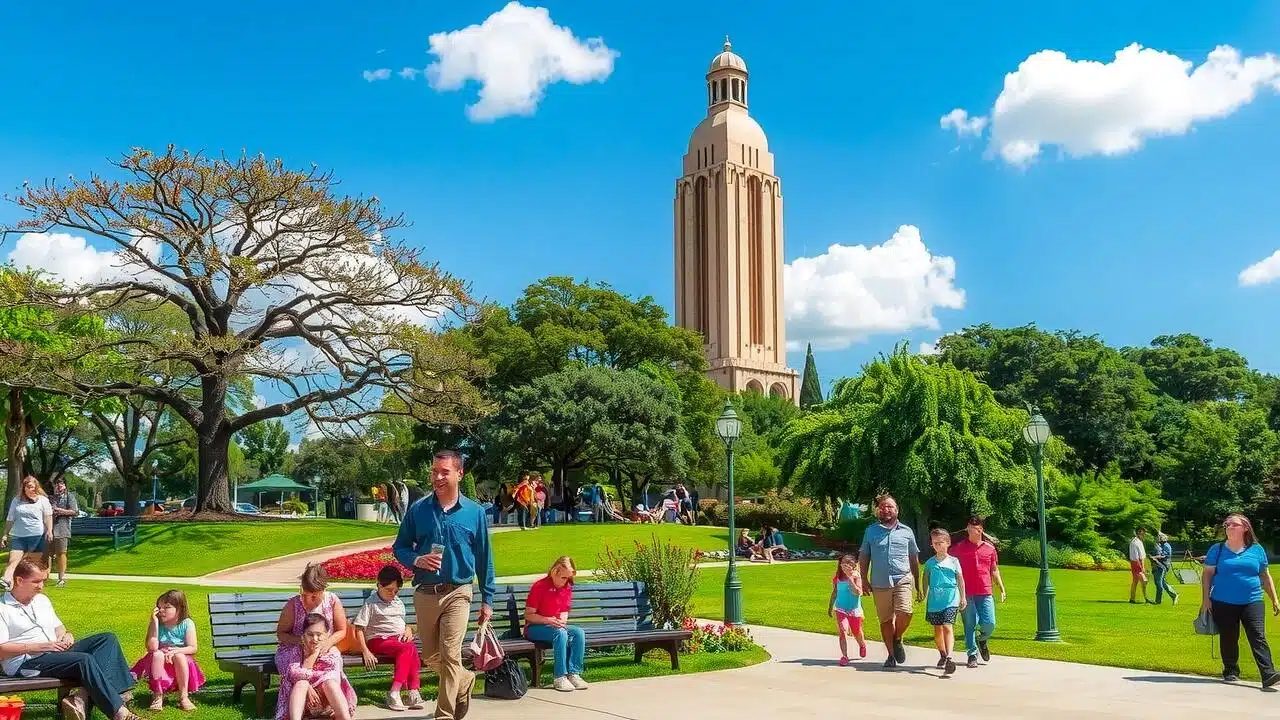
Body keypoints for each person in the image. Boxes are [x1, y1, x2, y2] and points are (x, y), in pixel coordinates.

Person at [392, 449, 496, 720]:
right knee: (431, 656)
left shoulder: (474, 512)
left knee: (451, 654)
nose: (437, 477)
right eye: (434, 472)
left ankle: (444, 714)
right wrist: (417, 560)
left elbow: (485, 558)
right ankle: (463, 681)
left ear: (459, 474)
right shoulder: (419, 510)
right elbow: (400, 547)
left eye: (444, 472)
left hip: (459, 592)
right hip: (426, 593)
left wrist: (487, 599)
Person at [0, 559, 139, 720]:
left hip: (54, 652)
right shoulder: (3, 608)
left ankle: (81, 697)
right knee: (83, 660)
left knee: (107, 639)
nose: (41, 586)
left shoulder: (41, 600)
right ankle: (120, 713)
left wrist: (66, 635)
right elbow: (2, 650)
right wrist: (40, 647)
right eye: (36, 581)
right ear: (19, 580)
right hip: (25, 662)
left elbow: (59, 627)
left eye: (44, 581)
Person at [1201, 513, 1279, 688]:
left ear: (1245, 528)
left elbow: (1265, 576)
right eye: (1227, 525)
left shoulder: (1257, 550)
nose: (1229, 527)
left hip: (1253, 600)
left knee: (1258, 635)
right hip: (1223, 601)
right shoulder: (1217, 549)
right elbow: (1207, 575)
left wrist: (1274, 599)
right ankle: (1230, 671)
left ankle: (1268, 674)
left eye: (1233, 525)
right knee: (1229, 636)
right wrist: (1206, 599)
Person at [273, 563, 355, 720]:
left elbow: (341, 630)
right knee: (295, 671)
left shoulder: (332, 601)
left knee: (333, 663)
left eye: (315, 595)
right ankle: (304, 695)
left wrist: (327, 643)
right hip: (295, 648)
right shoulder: (293, 604)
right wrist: (301, 641)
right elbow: (281, 634)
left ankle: (328, 703)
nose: (310, 599)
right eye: (307, 593)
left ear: (323, 589)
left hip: (324, 645)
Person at [858, 494, 921, 669]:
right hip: (880, 582)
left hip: (903, 579)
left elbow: (913, 558)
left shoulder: (907, 532)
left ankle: (897, 637)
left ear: (897, 510)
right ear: (878, 510)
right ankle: (891, 656)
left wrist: (917, 581)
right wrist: (863, 579)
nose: (886, 509)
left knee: (905, 612)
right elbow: (864, 556)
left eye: (890, 506)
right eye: (883, 506)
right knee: (885, 620)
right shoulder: (871, 531)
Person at [353, 565, 423, 711]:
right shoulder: (371, 603)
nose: (393, 594)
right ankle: (395, 692)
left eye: (396, 591)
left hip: (397, 640)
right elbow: (358, 628)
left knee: (412, 649)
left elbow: (402, 624)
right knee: (408, 648)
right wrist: (365, 651)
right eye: (389, 590)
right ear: (379, 585)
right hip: (378, 640)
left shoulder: (397, 602)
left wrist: (408, 630)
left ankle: (412, 692)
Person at [524, 556, 590, 692]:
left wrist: (562, 621)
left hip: (555, 626)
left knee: (578, 632)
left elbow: (565, 610)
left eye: (569, 578)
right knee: (560, 633)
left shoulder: (567, 587)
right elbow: (529, 616)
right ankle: (559, 677)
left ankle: (574, 674)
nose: (566, 581)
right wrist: (548, 620)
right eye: (563, 577)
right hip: (535, 628)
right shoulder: (539, 586)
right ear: (555, 572)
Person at [131, 589, 204, 712]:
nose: (161, 611)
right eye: (159, 607)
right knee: (157, 654)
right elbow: (152, 647)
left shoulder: (187, 623)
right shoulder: (157, 624)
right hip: (158, 660)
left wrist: (176, 651)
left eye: (167, 607)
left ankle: (184, 697)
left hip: (180, 659)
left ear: (179, 609)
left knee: (180, 656)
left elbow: (193, 648)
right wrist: (154, 623)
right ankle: (157, 695)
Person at [951, 515, 1006, 669]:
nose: (974, 531)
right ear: (967, 528)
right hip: (966, 592)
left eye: (977, 528)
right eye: (971, 528)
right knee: (969, 624)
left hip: (985, 591)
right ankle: (972, 654)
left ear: (981, 529)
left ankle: (982, 639)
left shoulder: (989, 549)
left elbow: (994, 570)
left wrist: (1001, 588)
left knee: (990, 623)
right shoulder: (959, 548)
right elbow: (951, 568)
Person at [283, 613, 353, 720]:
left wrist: (315, 654)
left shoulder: (332, 652)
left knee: (330, 682)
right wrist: (308, 687)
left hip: (326, 700)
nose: (315, 639)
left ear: (327, 635)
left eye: (319, 635)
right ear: (303, 635)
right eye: (310, 634)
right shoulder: (297, 651)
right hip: (304, 700)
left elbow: (331, 675)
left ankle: (343, 717)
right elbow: (293, 674)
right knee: (301, 683)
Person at [922, 528, 966, 675]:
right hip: (935, 599)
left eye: (940, 543)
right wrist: (923, 593)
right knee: (938, 629)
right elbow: (925, 578)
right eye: (934, 543)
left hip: (951, 598)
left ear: (947, 543)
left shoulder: (954, 561)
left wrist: (963, 596)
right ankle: (942, 653)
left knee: (947, 626)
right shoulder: (930, 563)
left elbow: (960, 579)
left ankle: (950, 657)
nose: (937, 546)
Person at [2, 476, 53, 589]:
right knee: (13, 560)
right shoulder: (17, 500)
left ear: (36, 487)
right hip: (18, 535)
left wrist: (49, 531)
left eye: (33, 487)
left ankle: (29, 585)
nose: (31, 489)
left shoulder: (43, 500)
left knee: (31, 564)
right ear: (24, 487)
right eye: (28, 486)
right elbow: (10, 518)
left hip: (37, 535)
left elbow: (48, 517)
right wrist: (5, 534)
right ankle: (6, 580)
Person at [827, 554, 867, 666]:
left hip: (854, 609)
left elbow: (859, 592)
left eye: (847, 563)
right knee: (843, 631)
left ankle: (862, 645)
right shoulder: (838, 577)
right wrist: (830, 606)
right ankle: (844, 656)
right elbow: (835, 592)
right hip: (840, 608)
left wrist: (850, 578)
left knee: (856, 631)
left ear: (853, 565)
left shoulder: (856, 576)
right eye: (843, 563)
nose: (844, 565)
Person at [48, 477, 79, 587]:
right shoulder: (50, 498)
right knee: (48, 554)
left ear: (65, 485)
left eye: (61, 483)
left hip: (63, 528)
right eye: (57, 484)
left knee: (61, 553)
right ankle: (45, 577)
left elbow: (74, 511)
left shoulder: (69, 497)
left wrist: (59, 511)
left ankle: (61, 579)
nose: (59, 485)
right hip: (49, 529)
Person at [1151, 532, 1179, 606]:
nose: (1158, 538)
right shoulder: (1161, 545)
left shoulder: (1166, 546)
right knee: (1162, 583)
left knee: (1158, 583)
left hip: (1162, 566)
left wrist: (1155, 557)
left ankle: (1158, 601)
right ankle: (1174, 595)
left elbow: (1164, 556)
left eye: (1159, 537)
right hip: (1159, 565)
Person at [1129, 528, 1152, 604]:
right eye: (1142, 534)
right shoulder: (1136, 542)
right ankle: (1146, 598)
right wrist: (1142, 567)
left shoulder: (1137, 541)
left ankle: (1132, 598)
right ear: (1138, 533)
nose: (1143, 535)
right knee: (1144, 581)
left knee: (1135, 582)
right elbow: (1138, 557)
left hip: (1136, 563)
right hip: (1137, 564)